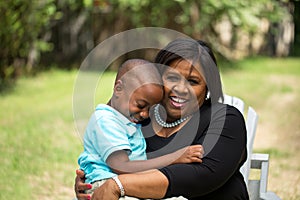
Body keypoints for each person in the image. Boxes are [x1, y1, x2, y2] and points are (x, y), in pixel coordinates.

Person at [75, 38, 249, 200]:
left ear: (208, 87)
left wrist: (119, 185)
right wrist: (90, 182)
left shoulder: (224, 119)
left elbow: (202, 176)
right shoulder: (138, 119)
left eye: (193, 81)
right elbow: (102, 155)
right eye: (172, 77)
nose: (180, 88)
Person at [77, 59, 204, 196]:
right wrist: (175, 157)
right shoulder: (106, 121)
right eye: (141, 105)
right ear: (118, 88)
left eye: (150, 109)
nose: (144, 114)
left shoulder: (126, 120)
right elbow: (122, 167)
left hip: (123, 183)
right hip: (105, 186)